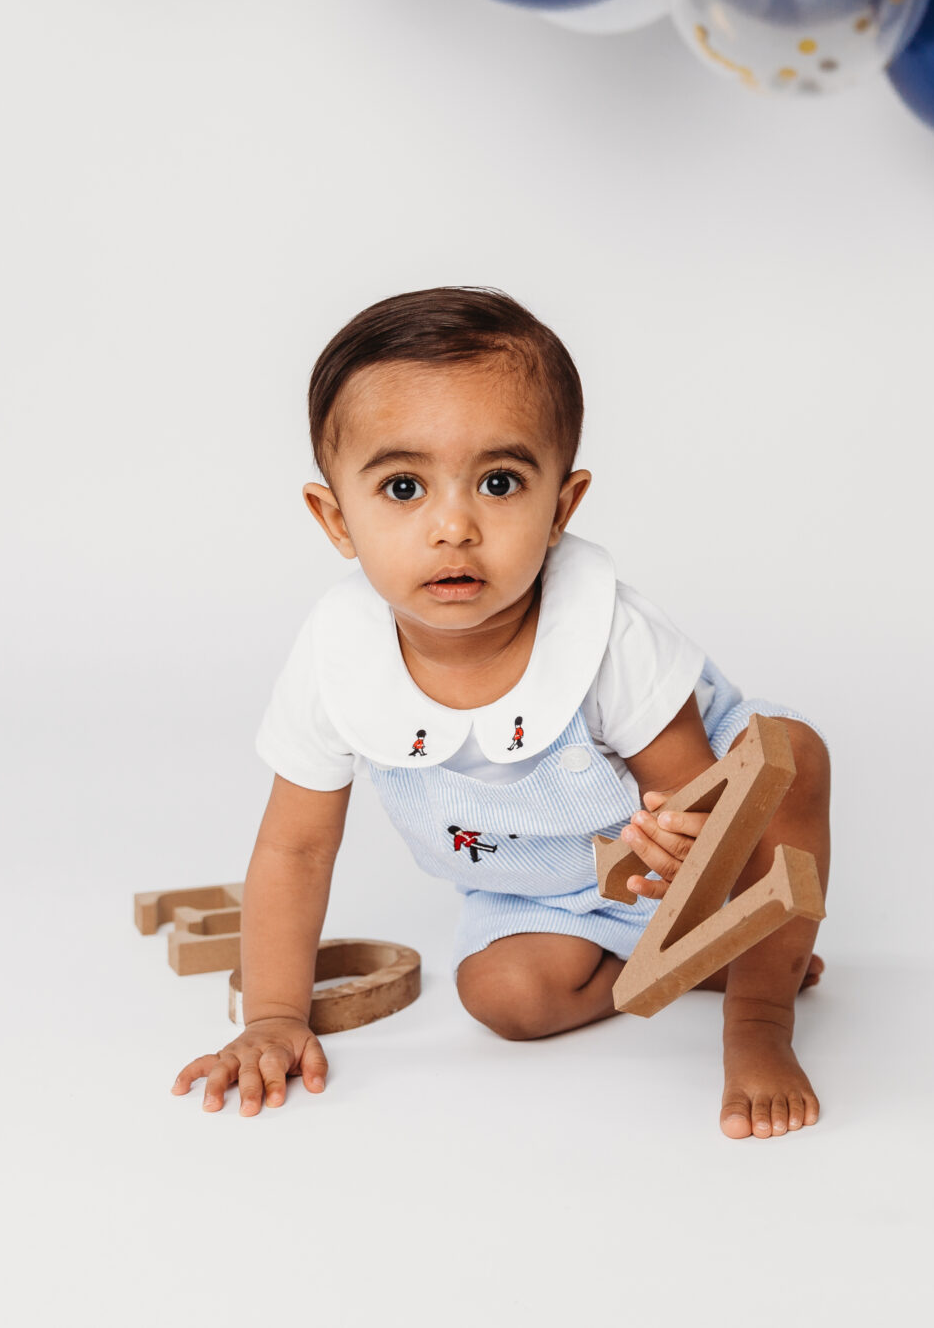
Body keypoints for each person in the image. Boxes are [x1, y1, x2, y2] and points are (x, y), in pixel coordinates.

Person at [169, 288, 830, 1138]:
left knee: (791, 760)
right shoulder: (339, 659)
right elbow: (295, 848)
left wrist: (687, 847)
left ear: (561, 506)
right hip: (544, 892)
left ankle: (759, 1013)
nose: (454, 526)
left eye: (499, 482)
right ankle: (674, 967)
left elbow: (698, 803)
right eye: (403, 486)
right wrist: (272, 1015)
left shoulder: (604, 631)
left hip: (672, 865)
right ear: (336, 518)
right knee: (503, 998)